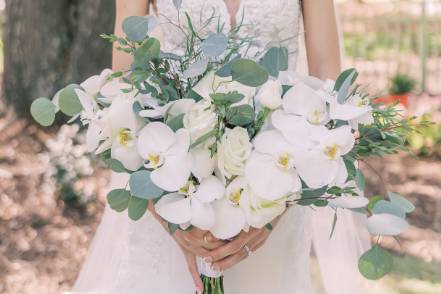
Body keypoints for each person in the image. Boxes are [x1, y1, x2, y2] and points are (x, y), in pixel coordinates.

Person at [72, 1, 369, 293]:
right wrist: (169, 218)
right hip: (174, 192)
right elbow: (122, 91)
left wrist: (273, 213)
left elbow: (329, 88)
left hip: (277, 187)